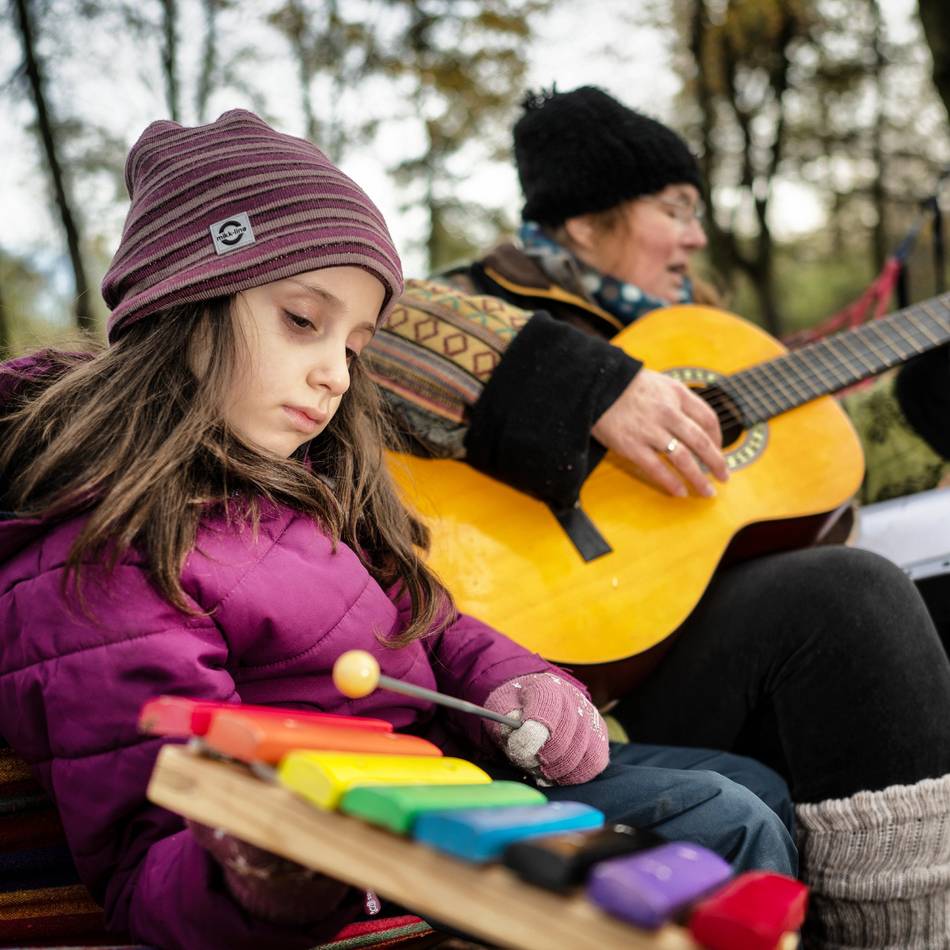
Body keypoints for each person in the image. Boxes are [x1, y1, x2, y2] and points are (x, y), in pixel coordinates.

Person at [0, 109, 798, 950]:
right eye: (303, 321)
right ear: (184, 302)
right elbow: (146, 867)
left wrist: (513, 683)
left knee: (749, 782)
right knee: (726, 821)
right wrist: (266, 868)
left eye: (355, 345)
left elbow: (422, 619)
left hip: (455, 776)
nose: (334, 376)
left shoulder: (301, 479)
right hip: (383, 857)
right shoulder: (103, 558)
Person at [364, 87, 950, 948]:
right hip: (561, 686)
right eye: (674, 209)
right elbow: (374, 323)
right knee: (851, 596)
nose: (697, 236)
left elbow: (821, 457)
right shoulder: (468, 300)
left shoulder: (701, 332)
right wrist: (588, 393)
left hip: (694, 638)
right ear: (586, 221)